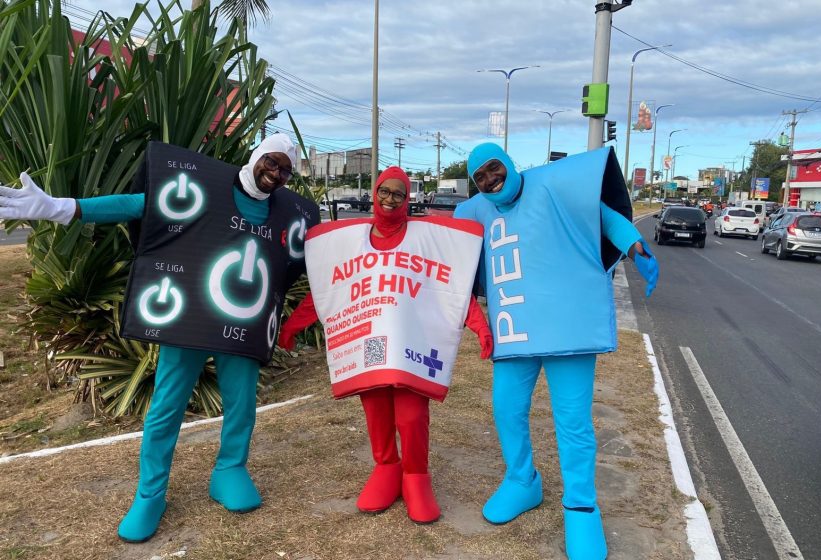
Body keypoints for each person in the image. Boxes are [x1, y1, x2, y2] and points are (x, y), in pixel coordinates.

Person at [0, 134, 318, 543]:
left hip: (245, 320)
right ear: (256, 156)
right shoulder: (202, 185)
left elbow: (320, 248)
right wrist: (64, 208)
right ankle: (151, 493)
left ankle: (230, 469)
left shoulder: (290, 214)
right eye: (271, 162)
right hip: (189, 318)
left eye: (285, 169)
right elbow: (141, 205)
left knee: (241, 402)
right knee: (167, 404)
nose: (275, 173)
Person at [454, 143, 658, 560]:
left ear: (508, 163)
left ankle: (580, 506)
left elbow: (600, 217)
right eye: (481, 177)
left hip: (569, 330)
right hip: (516, 329)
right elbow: (449, 253)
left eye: (495, 169)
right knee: (506, 408)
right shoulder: (474, 212)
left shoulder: (553, 185)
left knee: (573, 422)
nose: (491, 180)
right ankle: (522, 480)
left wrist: (637, 248)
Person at [279, 166, 493, 524]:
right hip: (368, 345)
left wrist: (479, 326)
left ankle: (415, 476)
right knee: (376, 412)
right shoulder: (350, 240)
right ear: (374, 193)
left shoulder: (426, 239)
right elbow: (329, 288)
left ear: (407, 199)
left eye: (398, 193)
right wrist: (293, 326)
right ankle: (386, 467)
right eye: (384, 191)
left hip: (411, 346)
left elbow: (451, 287)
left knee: (410, 416)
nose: (390, 199)